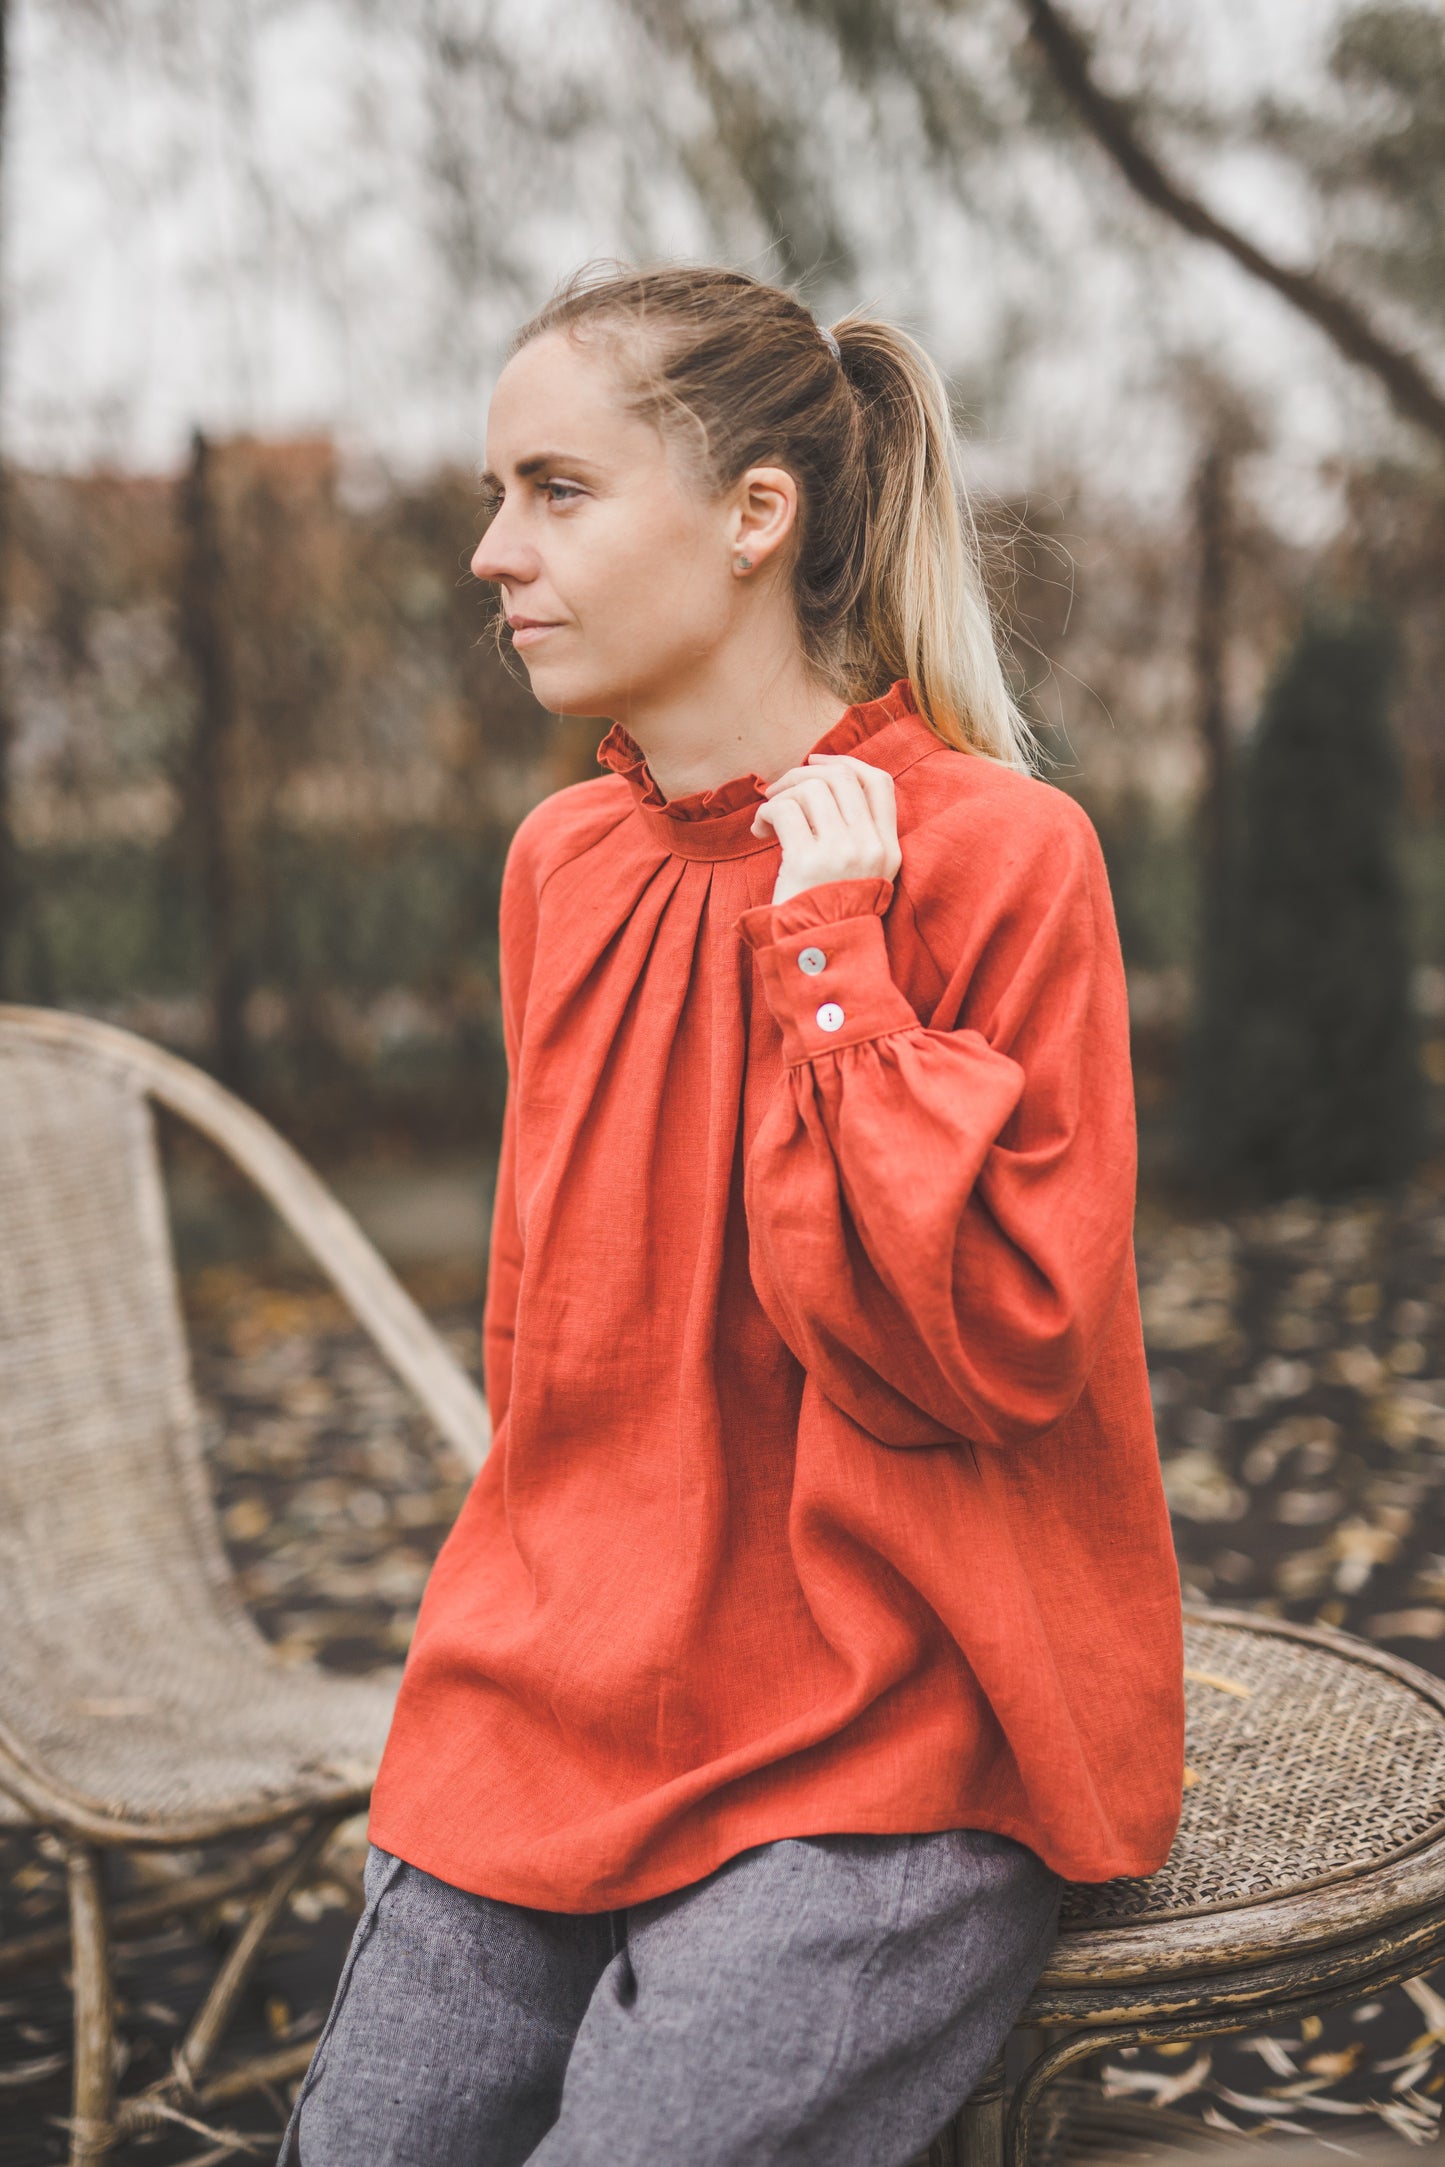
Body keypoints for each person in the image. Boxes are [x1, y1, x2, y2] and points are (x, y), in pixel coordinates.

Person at [279, 262, 1184, 2167]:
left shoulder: (1004, 857)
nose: (487, 551)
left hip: (899, 1720)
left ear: (755, 516)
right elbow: (560, 1355)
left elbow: (993, 1356)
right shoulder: (565, 865)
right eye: (495, 493)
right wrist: (525, 1649)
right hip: (558, 1691)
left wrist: (836, 976)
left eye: (555, 488)